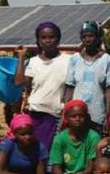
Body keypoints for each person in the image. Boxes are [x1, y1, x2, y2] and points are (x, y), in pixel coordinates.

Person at [15, 22, 70, 155]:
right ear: (38, 40)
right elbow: (19, 82)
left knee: (52, 155)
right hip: (35, 115)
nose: (48, 41)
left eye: (52, 37)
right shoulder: (34, 62)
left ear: (58, 39)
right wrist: (21, 58)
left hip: (56, 116)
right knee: (35, 154)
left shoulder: (68, 60)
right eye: (43, 38)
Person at [64, 21, 110, 132]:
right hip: (76, 114)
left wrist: (107, 113)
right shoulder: (75, 59)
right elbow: (69, 87)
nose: (87, 39)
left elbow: (109, 88)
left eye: (91, 36)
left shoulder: (106, 59)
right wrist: (65, 111)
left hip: (97, 114)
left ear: (97, 37)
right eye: (84, 36)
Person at [46, 100, 101, 174]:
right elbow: (56, 166)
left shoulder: (93, 137)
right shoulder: (60, 138)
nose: (78, 119)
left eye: (81, 116)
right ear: (66, 118)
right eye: (73, 116)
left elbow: (90, 168)